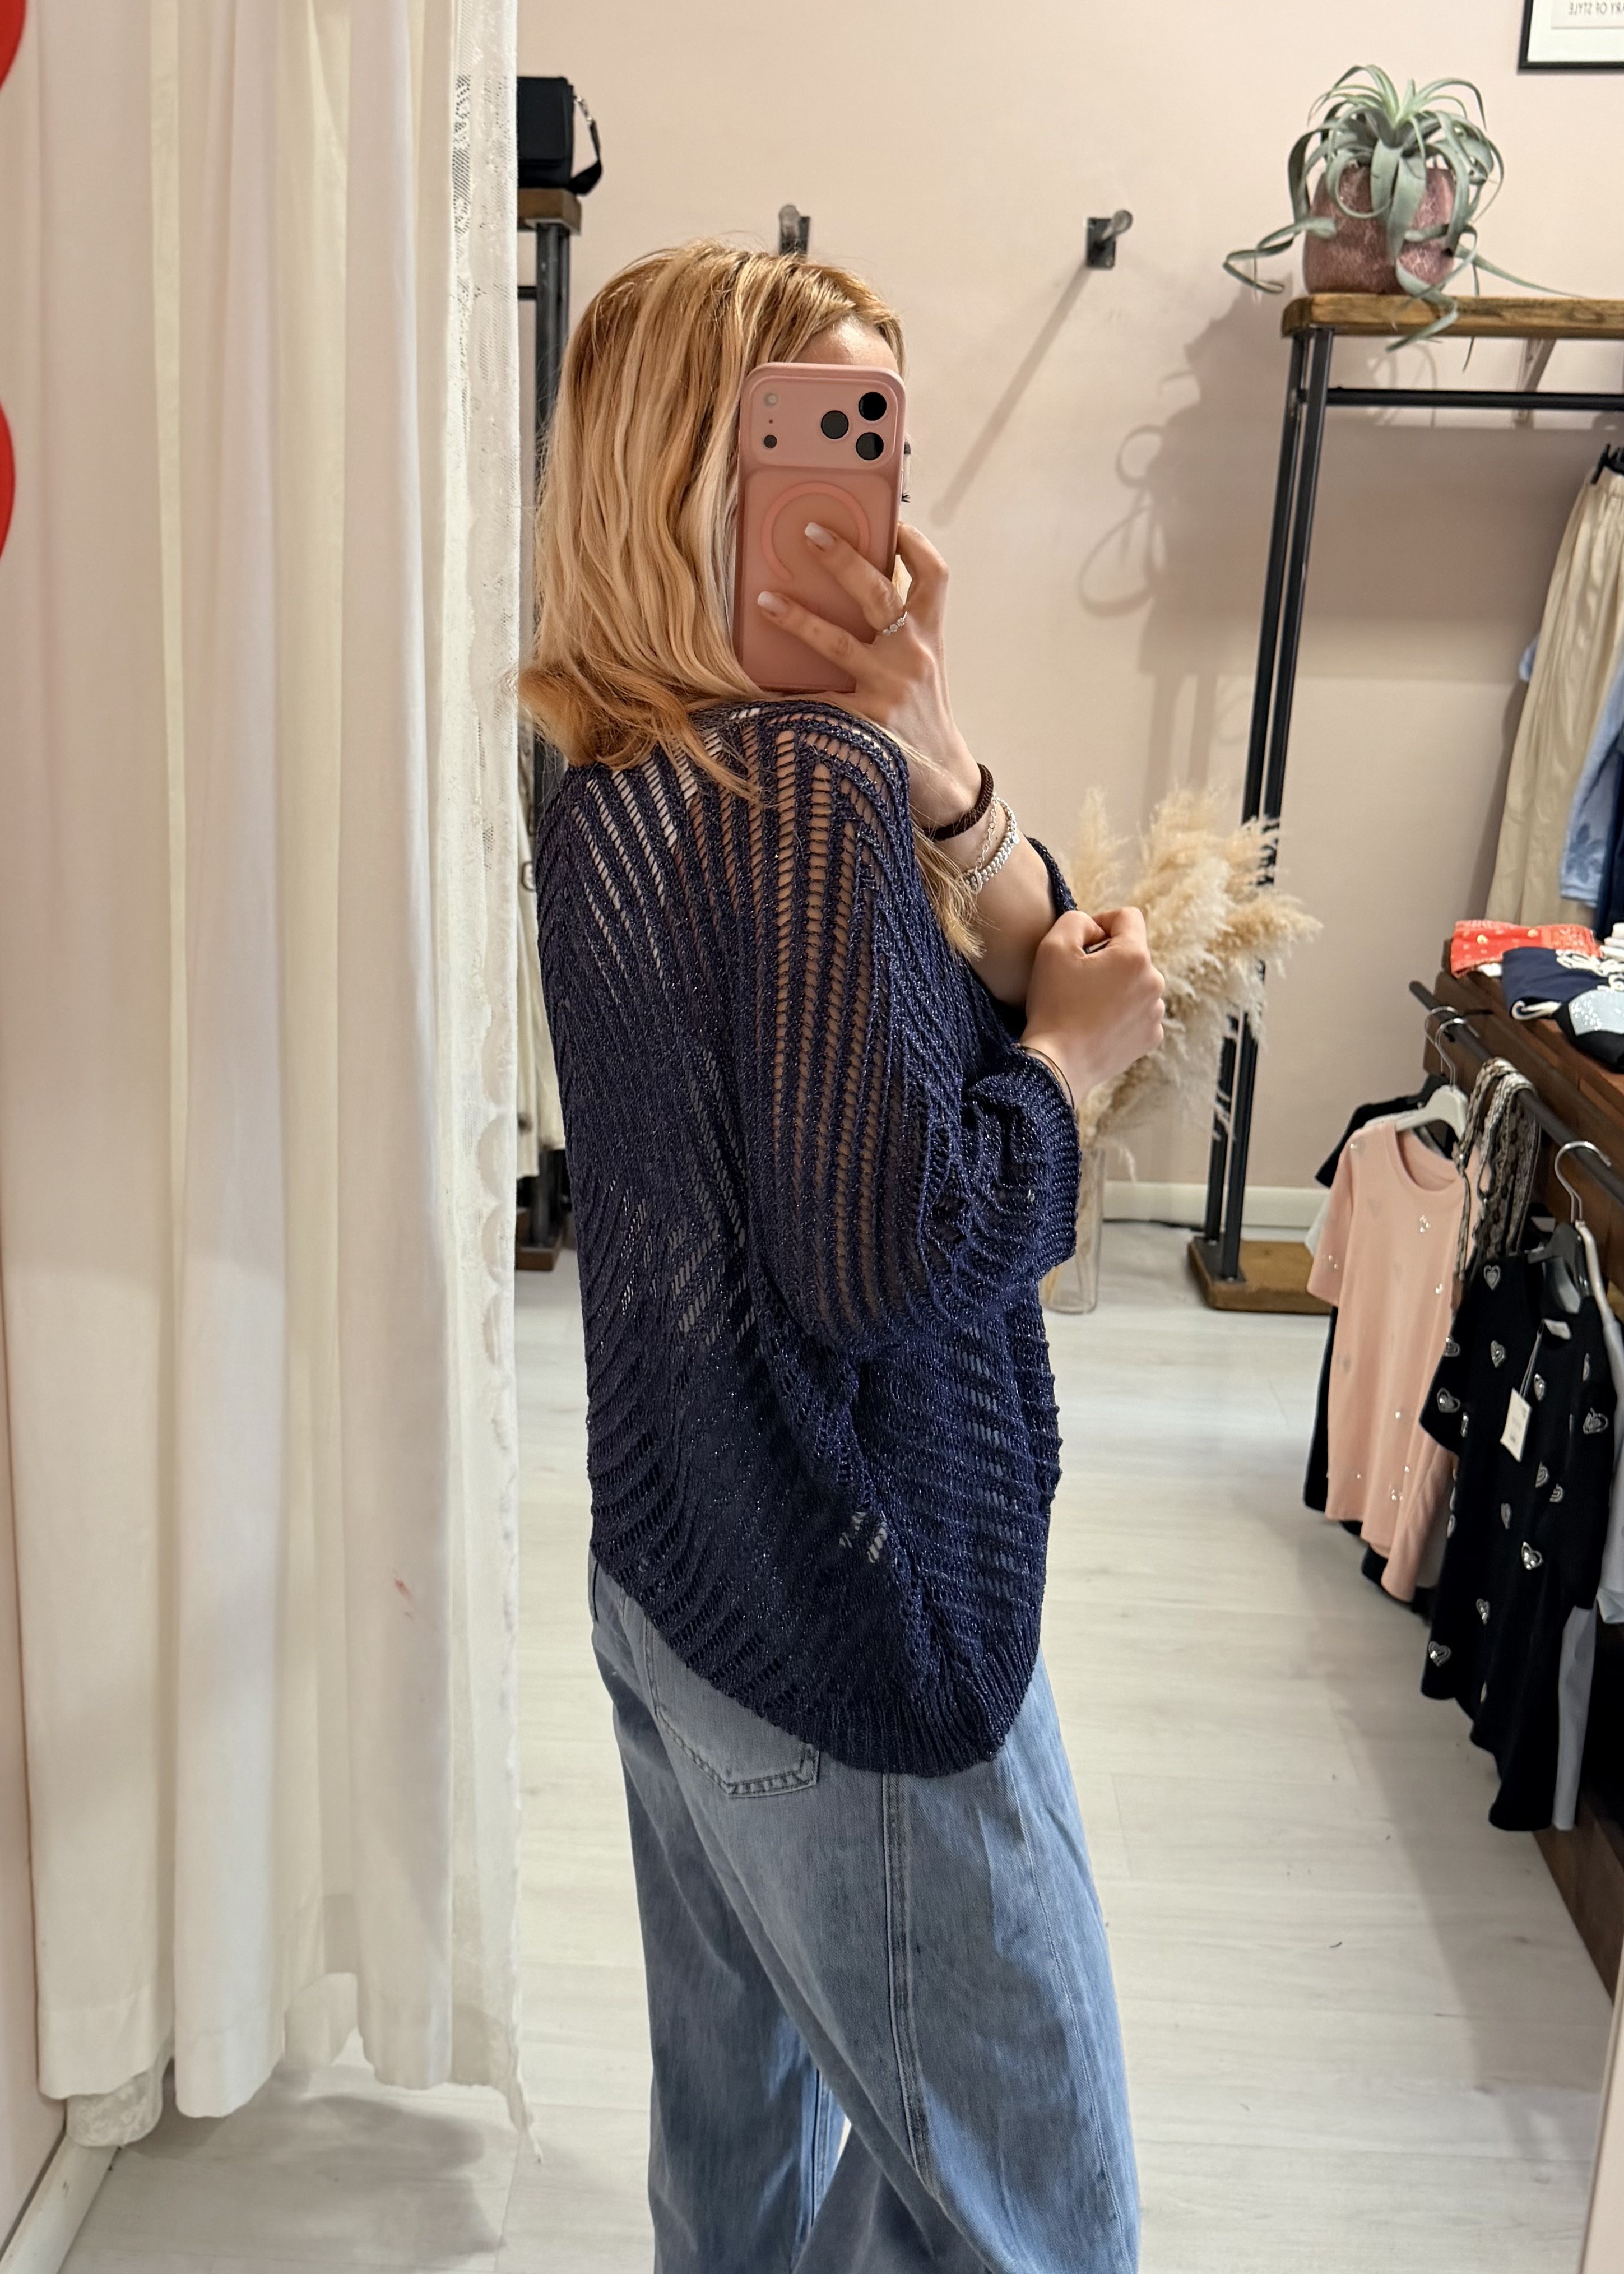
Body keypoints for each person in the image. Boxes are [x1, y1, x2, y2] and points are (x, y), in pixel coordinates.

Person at [523, 239, 1163, 2273]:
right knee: (1034, 2215)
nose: (867, 510)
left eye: (876, 446)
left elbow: (769, 1179)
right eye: (811, 445)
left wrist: (940, 754)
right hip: (853, 1614)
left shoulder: (607, 764)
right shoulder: (800, 787)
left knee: (741, 2164)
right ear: (684, 480)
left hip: (682, 1559)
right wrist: (1065, 1073)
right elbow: (891, 1260)